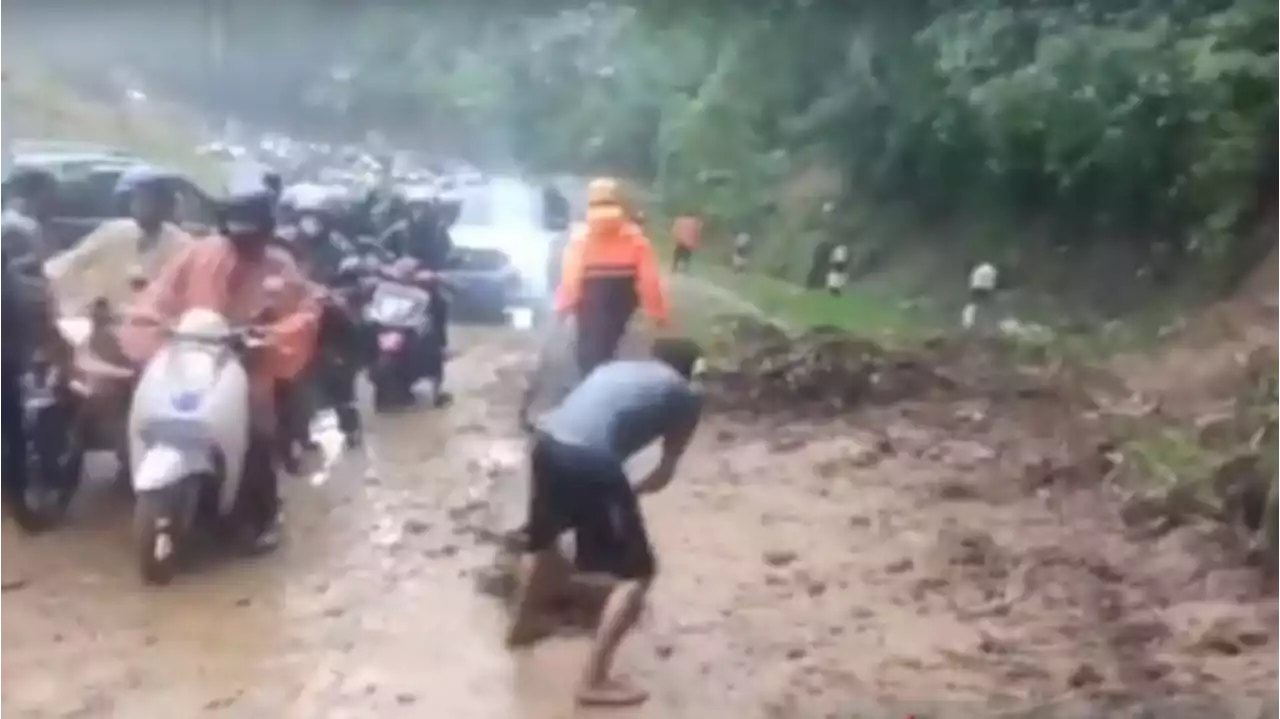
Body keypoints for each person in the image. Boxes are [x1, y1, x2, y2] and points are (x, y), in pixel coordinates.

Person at [119, 185, 320, 551]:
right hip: (191, 354)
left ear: (266, 230)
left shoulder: (280, 266)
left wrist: (269, 333)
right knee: (143, 400)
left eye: (252, 234)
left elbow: (303, 314)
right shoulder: (198, 255)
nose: (244, 242)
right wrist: (153, 319)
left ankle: (264, 516)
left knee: (258, 433)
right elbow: (160, 295)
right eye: (237, 232)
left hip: (249, 364)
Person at [507, 337, 705, 707]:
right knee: (638, 574)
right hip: (591, 459)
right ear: (692, 370)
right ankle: (594, 681)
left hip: (547, 445)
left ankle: (524, 626)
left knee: (547, 543)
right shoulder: (687, 394)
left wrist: (610, 498)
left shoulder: (616, 368)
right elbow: (664, 471)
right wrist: (624, 494)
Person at [553, 178, 668, 378]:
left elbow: (571, 278)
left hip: (591, 294)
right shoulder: (636, 238)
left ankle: (589, 382)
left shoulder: (580, 238)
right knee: (611, 340)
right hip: (623, 294)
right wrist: (656, 312)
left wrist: (563, 307)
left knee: (588, 344)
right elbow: (649, 280)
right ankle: (605, 372)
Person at [45, 169, 194, 314]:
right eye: (138, 200)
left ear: (167, 206)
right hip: (104, 319)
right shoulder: (114, 232)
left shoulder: (182, 246)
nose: (140, 206)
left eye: (149, 201)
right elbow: (72, 262)